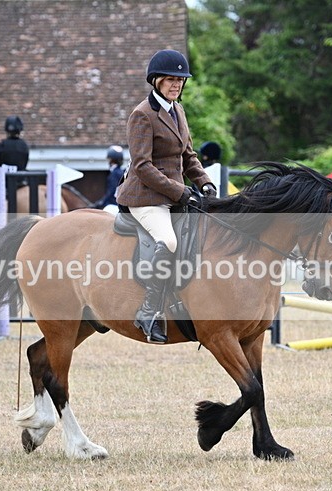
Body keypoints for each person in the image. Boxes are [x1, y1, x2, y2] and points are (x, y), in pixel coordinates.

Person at [116, 49, 216, 344]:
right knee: (169, 241)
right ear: (156, 80)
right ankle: (148, 312)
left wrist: (205, 182)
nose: (177, 85)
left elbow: (188, 155)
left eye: (181, 80)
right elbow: (142, 166)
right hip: (144, 198)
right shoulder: (142, 115)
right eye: (171, 79)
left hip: (174, 195)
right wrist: (181, 191)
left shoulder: (178, 110)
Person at [95, 145, 124, 210]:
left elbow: (112, 191)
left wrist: (102, 202)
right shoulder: (120, 172)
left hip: (113, 205)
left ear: (111, 160)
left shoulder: (115, 173)